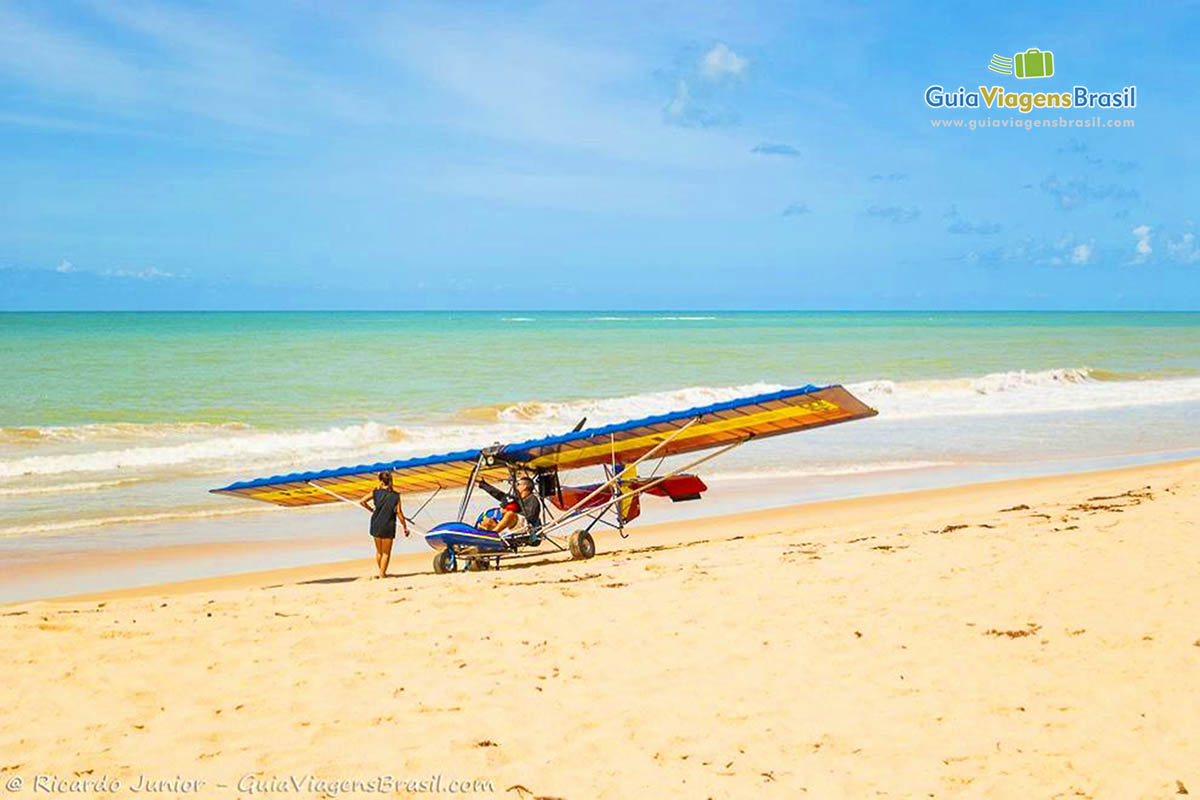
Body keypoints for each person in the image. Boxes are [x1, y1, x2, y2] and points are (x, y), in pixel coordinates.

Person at [359, 471, 408, 578]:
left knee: (379, 551)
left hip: (375, 523)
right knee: (386, 553)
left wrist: (372, 510)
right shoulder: (395, 496)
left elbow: (362, 501)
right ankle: (382, 574)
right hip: (388, 525)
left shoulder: (375, 492)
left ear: (380, 481)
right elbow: (399, 513)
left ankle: (382, 571)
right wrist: (405, 527)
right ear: (391, 481)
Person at [478, 475, 542, 544]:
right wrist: (483, 485)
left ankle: (493, 535)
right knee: (488, 520)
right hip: (513, 526)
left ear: (525, 487)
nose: (516, 486)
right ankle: (479, 539)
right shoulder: (516, 499)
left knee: (510, 514)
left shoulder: (532, 499)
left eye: (518, 484)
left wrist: (513, 513)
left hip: (526, 527)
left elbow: (531, 517)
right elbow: (499, 495)